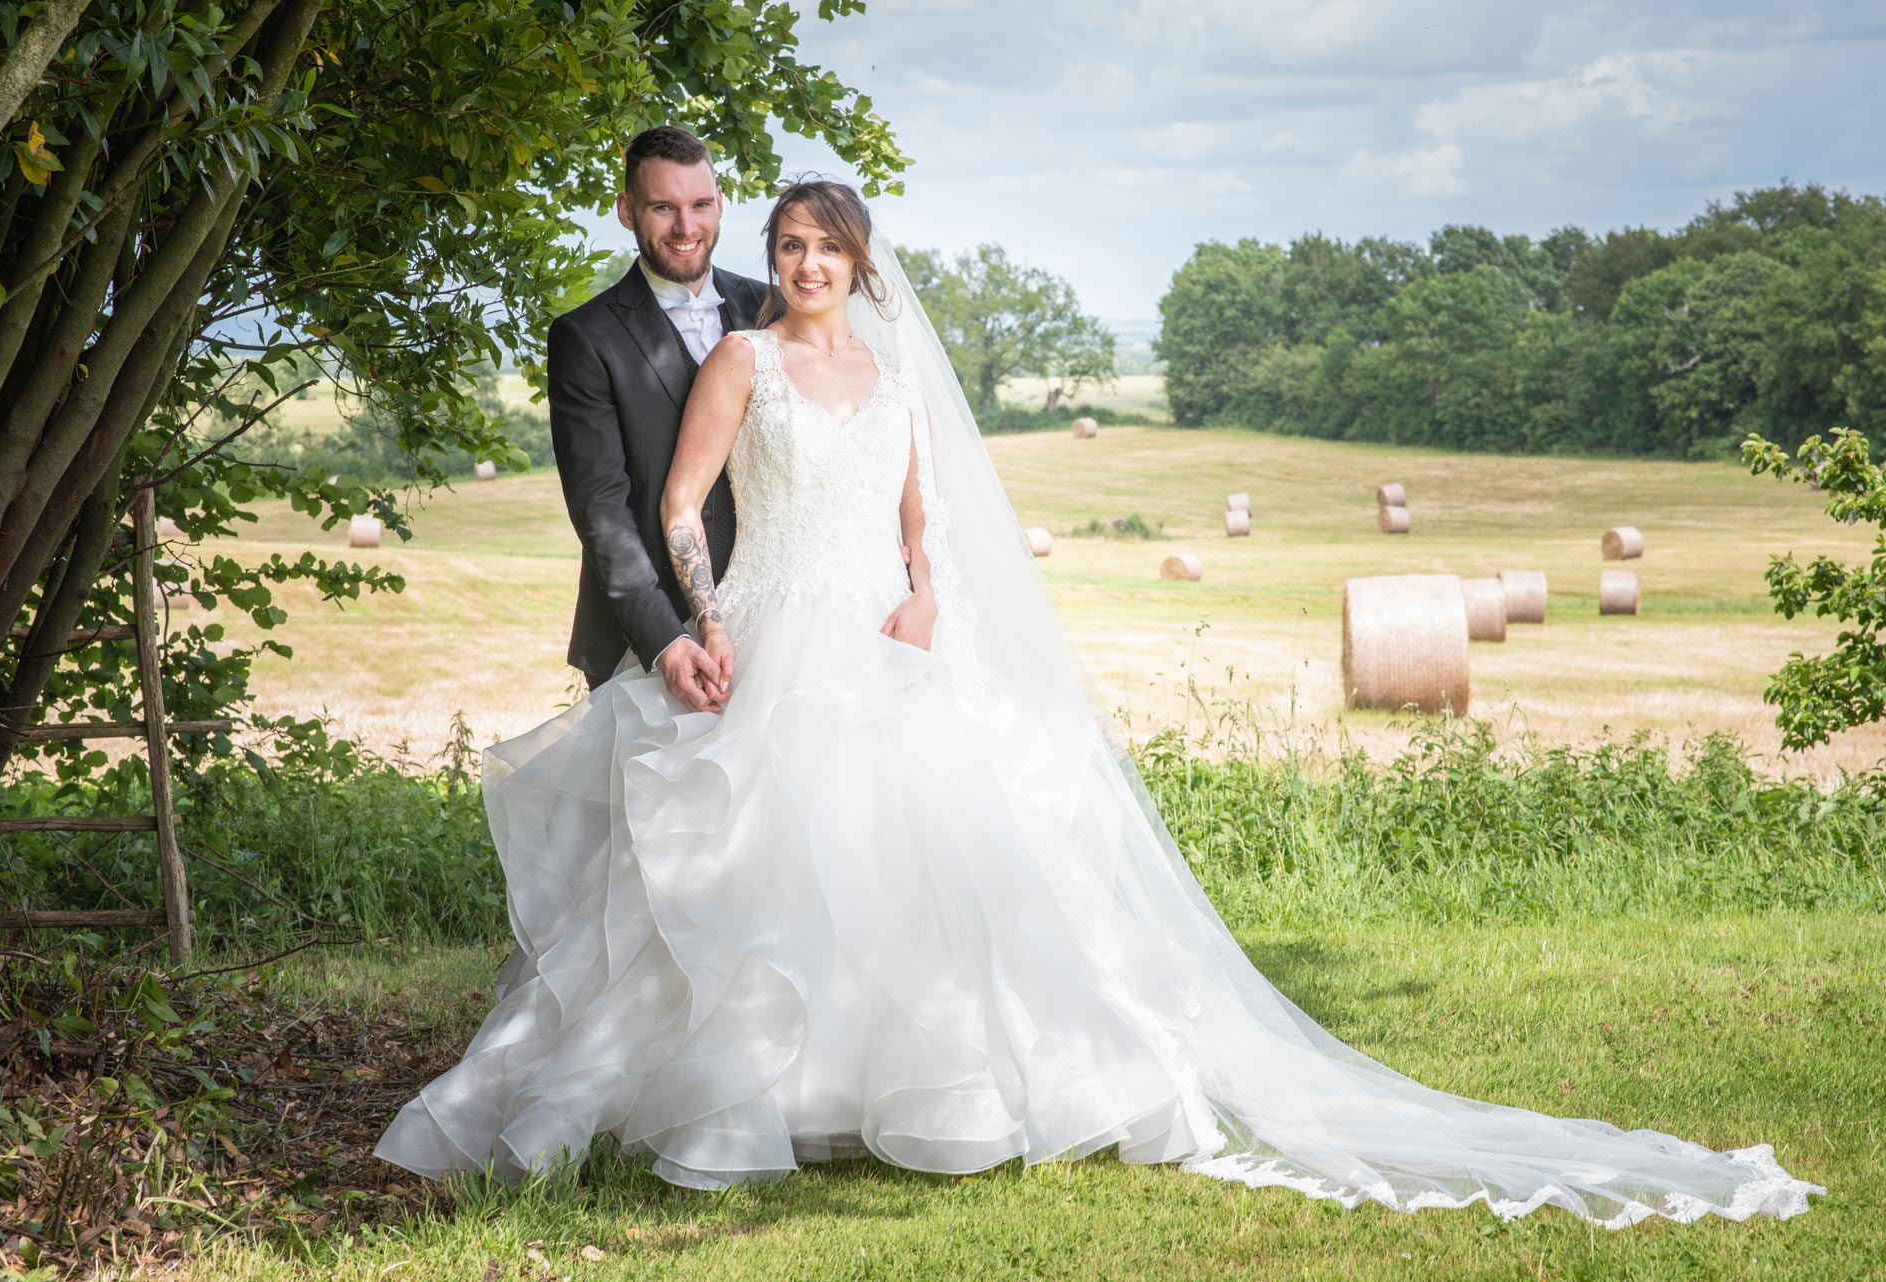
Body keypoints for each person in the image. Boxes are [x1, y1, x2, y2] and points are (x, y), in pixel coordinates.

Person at [375, 180, 1821, 1228]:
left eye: (822, 246)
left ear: (858, 260)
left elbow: (923, 518)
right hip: (766, 635)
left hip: (883, 638)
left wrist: (930, 591)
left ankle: (927, 1098)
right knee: (743, 879)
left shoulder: (888, 372)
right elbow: (679, 504)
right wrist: (698, 619)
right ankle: (724, 1101)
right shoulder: (741, 359)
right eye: (786, 245)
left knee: (929, 870)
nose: (801, 263)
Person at [546, 125, 767, 705]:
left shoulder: (771, 308)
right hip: (649, 638)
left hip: (769, 618)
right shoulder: (585, 338)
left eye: (700, 205)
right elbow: (601, 512)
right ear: (626, 211)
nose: (686, 227)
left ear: (720, 204)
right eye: (663, 208)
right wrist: (667, 641)